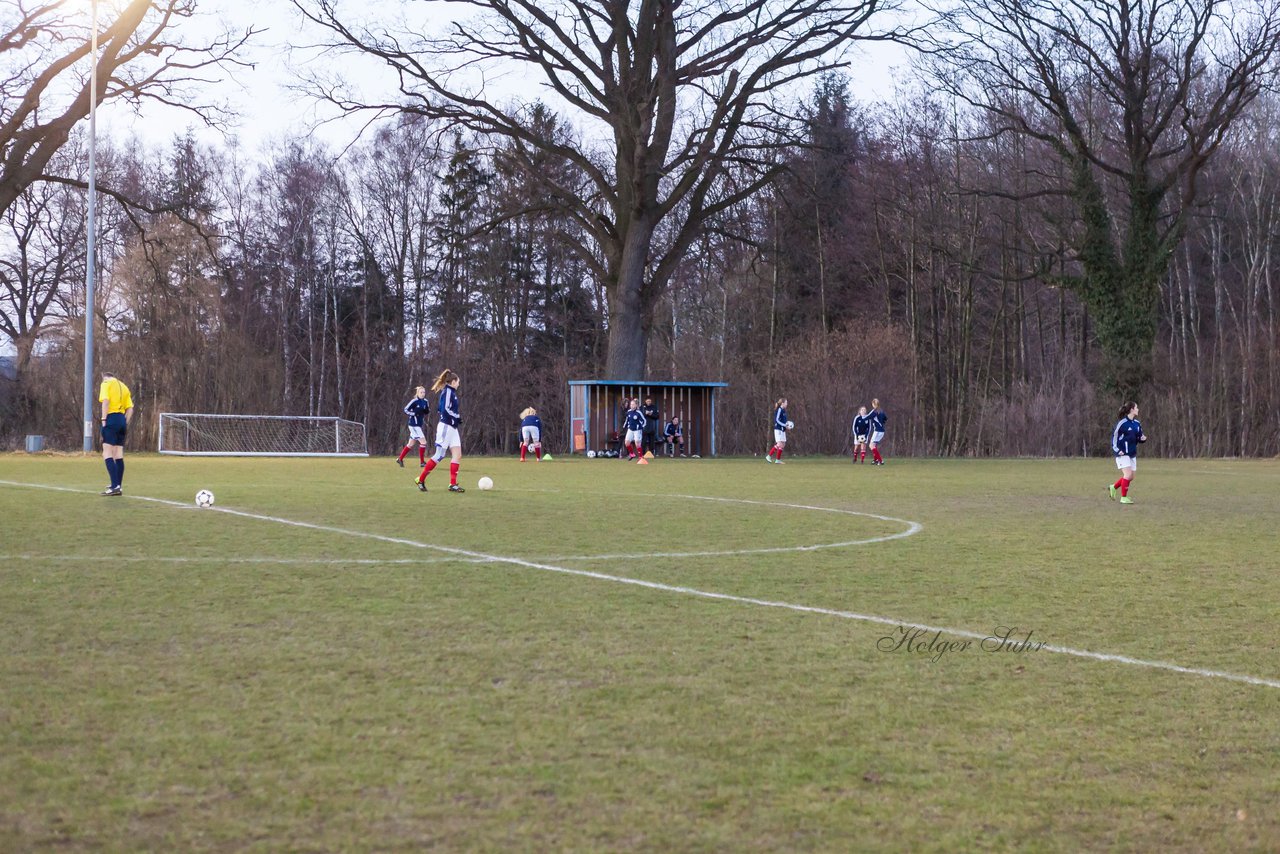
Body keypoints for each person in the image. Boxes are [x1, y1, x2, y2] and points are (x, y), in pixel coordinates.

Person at [416, 369, 465, 493]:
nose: (459, 384)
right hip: (446, 427)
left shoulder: (451, 392)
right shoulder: (448, 391)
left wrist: (455, 418)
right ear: (453, 382)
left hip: (452, 428)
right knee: (439, 455)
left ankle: (452, 484)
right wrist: (456, 417)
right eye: (458, 382)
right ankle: (420, 480)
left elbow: (440, 409)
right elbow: (444, 409)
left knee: (457, 455)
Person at [98, 371, 133, 496]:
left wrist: (103, 419)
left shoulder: (106, 383)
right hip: (122, 420)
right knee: (118, 453)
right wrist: (125, 422)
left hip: (111, 418)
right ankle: (118, 485)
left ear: (104, 377)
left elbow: (106, 401)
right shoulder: (124, 387)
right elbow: (130, 408)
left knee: (107, 452)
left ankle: (114, 486)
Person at [1109, 401, 1147, 505]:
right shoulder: (1122, 423)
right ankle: (1123, 498)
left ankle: (1114, 487)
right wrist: (1117, 450)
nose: (1138, 409)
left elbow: (1139, 437)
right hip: (1122, 453)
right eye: (1136, 407)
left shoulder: (1137, 424)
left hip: (1132, 453)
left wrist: (1143, 439)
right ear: (1131, 410)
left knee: (1131, 477)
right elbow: (1114, 438)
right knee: (1128, 474)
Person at [396, 386, 431, 468]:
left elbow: (426, 411)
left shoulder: (426, 401)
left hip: (419, 425)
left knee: (410, 444)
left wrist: (427, 411)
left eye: (424, 392)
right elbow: (406, 409)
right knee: (423, 442)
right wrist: (414, 413)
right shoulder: (414, 401)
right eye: (421, 392)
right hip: (413, 425)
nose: (423, 394)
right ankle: (422, 462)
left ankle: (400, 459)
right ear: (418, 393)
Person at [766, 397, 788, 463]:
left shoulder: (784, 410)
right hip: (778, 429)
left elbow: (783, 421)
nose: (787, 404)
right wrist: (784, 425)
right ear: (783, 403)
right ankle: (769, 456)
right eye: (786, 402)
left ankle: (777, 460)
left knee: (783, 444)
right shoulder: (779, 410)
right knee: (779, 444)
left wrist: (787, 425)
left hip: (782, 429)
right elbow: (777, 420)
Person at [867, 398, 887, 465]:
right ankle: (875, 460)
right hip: (882, 431)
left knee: (871, 445)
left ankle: (880, 460)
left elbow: (868, 417)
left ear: (873, 404)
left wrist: (862, 417)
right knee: (874, 445)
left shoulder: (875, 411)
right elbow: (885, 418)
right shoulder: (881, 411)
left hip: (877, 431)